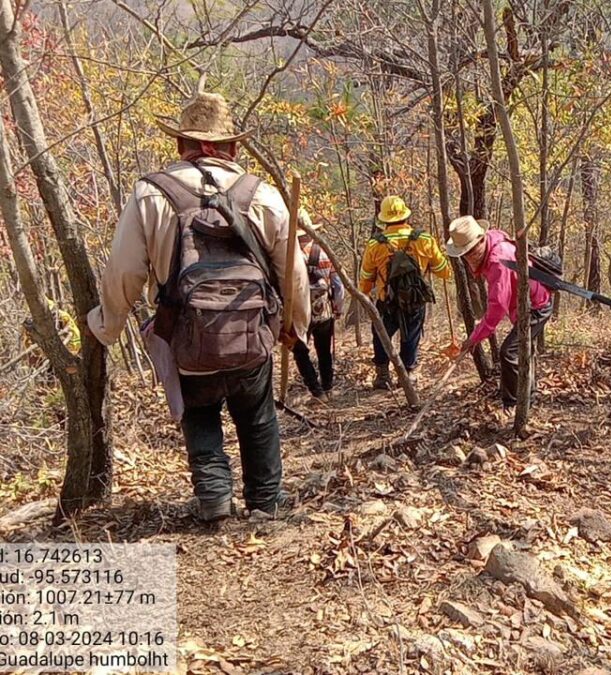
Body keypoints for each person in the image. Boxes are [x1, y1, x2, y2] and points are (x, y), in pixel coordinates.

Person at [87, 90, 310, 522]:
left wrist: (107, 325)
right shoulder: (262, 194)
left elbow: (125, 272)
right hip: (252, 337)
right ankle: (265, 502)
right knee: (258, 418)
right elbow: (293, 273)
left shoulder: (150, 194)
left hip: (188, 337)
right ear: (224, 147)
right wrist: (294, 326)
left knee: (200, 414)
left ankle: (214, 500)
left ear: (185, 145)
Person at [444, 216, 553, 410]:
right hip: (523, 308)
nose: (470, 257)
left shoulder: (498, 260)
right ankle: (529, 394)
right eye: (465, 253)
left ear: (481, 239)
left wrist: (475, 337)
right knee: (524, 349)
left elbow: (498, 305)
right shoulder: (492, 244)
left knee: (509, 352)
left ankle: (513, 405)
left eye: (472, 250)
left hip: (535, 306)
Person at [359, 195, 451, 389]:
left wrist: (365, 294)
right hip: (415, 299)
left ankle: (383, 376)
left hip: (387, 300)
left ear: (383, 220)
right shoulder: (424, 239)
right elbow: (444, 271)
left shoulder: (375, 244)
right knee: (411, 335)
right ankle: (407, 374)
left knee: (381, 333)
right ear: (406, 216)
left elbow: (366, 276)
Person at [292, 209, 343, 402]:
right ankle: (328, 388)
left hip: (298, 313)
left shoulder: (287, 254)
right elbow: (337, 285)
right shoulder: (323, 251)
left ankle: (316, 391)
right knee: (324, 351)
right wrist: (338, 308)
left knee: (300, 351)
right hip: (324, 311)